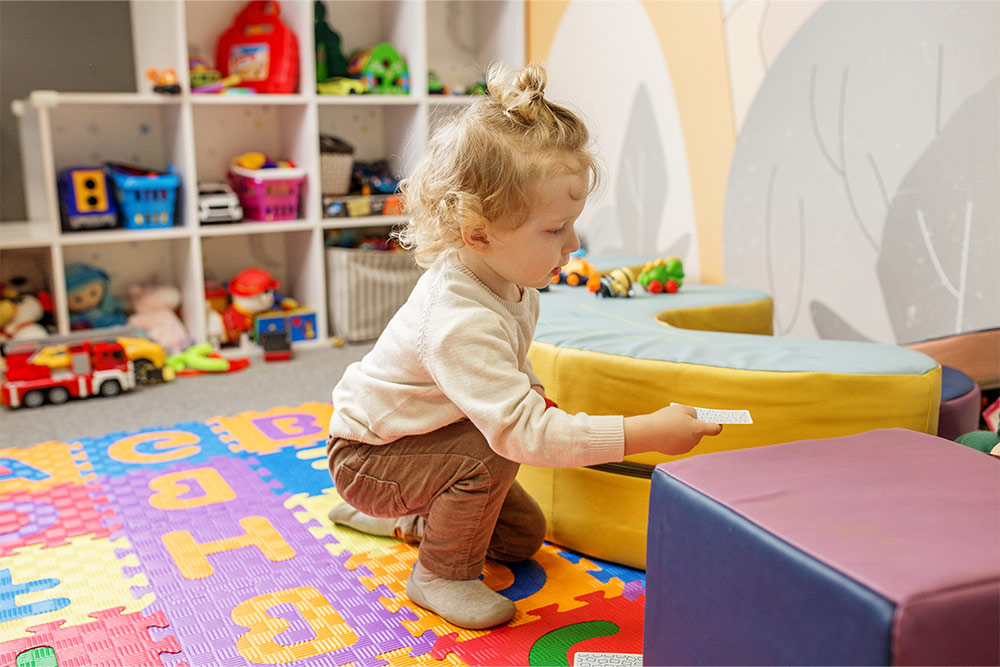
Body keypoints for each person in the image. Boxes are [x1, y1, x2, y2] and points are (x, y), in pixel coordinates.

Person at [326, 63, 722, 630]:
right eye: (554, 228)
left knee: (519, 538)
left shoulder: (509, 281)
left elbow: (510, 371)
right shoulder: (458, 318)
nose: (574, 242)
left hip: (420, 441)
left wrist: (536, 394)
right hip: (368, 460)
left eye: (571, 224)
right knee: (494, 450)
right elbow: (520, 432)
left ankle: (413, 526)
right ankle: (438, 575)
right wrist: (644, 433)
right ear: (478, 232)